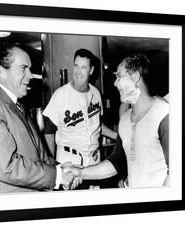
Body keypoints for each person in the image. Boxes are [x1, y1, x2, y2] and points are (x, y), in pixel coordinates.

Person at [0, 42, 79, 194]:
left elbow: (37, 154)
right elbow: (7, 166)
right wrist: (57, 176)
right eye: (23, 68)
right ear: (1, 71)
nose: (31, 75)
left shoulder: (17, 105)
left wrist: (61, 169)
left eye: (30, 68)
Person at [67, 53, 169, 188]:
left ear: (136, 77)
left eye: (119, 76)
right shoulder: (125, 120)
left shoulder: (164, 114)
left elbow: (178, 172)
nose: (115, 83)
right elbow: (116, 163)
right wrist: (80, 172)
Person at [43, 48, 117, 180]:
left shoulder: (96, 93)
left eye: (83, 67)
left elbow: (98, 125)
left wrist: (117, 136)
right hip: (70, 161)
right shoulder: (60, 95)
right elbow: (49, 131)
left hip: (94, 160)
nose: (78, 71)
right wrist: (52, 164)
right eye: (76, 66)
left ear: (91, 70)